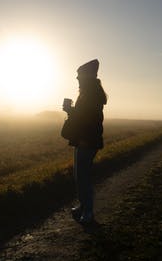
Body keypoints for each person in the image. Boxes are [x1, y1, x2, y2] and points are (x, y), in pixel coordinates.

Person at [62, 59, 107, 224]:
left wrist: (70, 112)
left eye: (79, 75)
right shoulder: (89, 93)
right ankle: (83, 207)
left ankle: (88, 212)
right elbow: (83, 117)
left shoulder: (91, 95)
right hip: (83, 140)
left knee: (83, 178)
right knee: (80, 177)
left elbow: (89, 120)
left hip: (87, 141)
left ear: (86, 76)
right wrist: (71, 111)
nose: (76, 78)